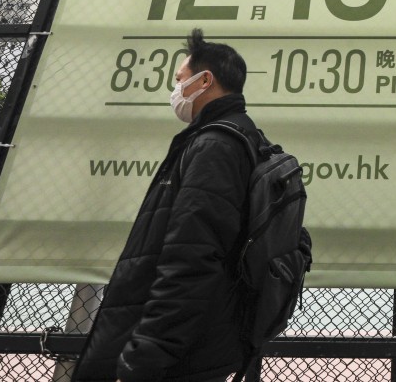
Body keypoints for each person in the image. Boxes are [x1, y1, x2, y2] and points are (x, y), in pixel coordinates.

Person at [74, 29, 260, 382]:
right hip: (194, 347)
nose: (174, 91)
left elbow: (191, 259)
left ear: (204, 81)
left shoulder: (214, 145)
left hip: (171, 358)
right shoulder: (231, 136)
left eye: (179, 80)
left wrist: (146, 353)